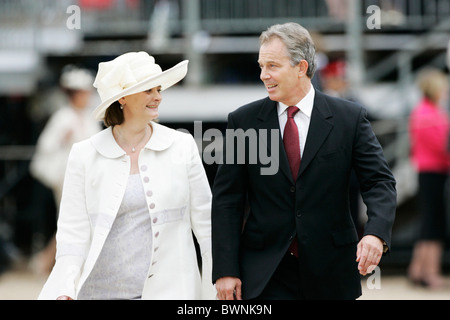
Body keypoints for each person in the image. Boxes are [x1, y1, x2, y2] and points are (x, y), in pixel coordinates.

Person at [211, 23, 397, 300]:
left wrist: (375, 234)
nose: (263, 75)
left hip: (331, 271)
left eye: (272, 66)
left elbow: (379, 182)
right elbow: (228, 200)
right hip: (265, 273)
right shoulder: (243, 122)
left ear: (301, 67)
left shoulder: (350, 118)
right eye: (261, 66)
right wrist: (225, 269)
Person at [38, 52, 215, 300]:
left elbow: (207, 226)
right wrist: (64, 289)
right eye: (148, 90)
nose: (158, 97)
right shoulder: (83, 154)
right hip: (99, 294)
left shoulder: (182, 146)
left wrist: (216, 287)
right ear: (122, 97)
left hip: (172, 294)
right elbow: (72, 236)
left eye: (158, 89)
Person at [30, 66, 101, 275]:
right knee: (71, 221)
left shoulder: (89, 117)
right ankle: (51, 262)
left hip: (88, 179)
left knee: (82, 221)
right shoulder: (62, 117)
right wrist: (62, 138)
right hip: (66, 179)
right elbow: (45, 145)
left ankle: (50, 261)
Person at [407, 68, 449, 289]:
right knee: (434, 223)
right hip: (434, 171)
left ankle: (417, 269)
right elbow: (443, 147)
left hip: (427, 171)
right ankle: (431, 272)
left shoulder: (422, 112)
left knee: (428, 222)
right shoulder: (431, 115)